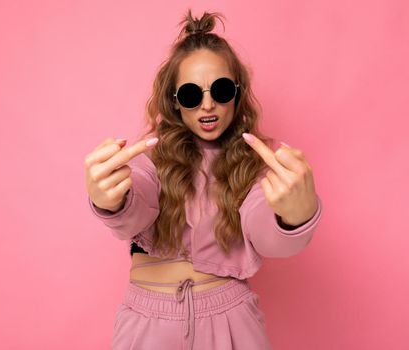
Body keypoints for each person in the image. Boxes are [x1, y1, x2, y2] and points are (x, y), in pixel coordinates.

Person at [84, 9, 323, 350]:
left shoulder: (257, 164)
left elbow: (263, 225)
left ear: (237, 94)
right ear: (176, 102)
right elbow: (138, 195)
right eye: (192, 95)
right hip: (148, 326)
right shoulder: (149, 157)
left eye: (222, 90)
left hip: (232, 322)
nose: (208, 104)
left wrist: (293, 217)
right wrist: (112, 200)